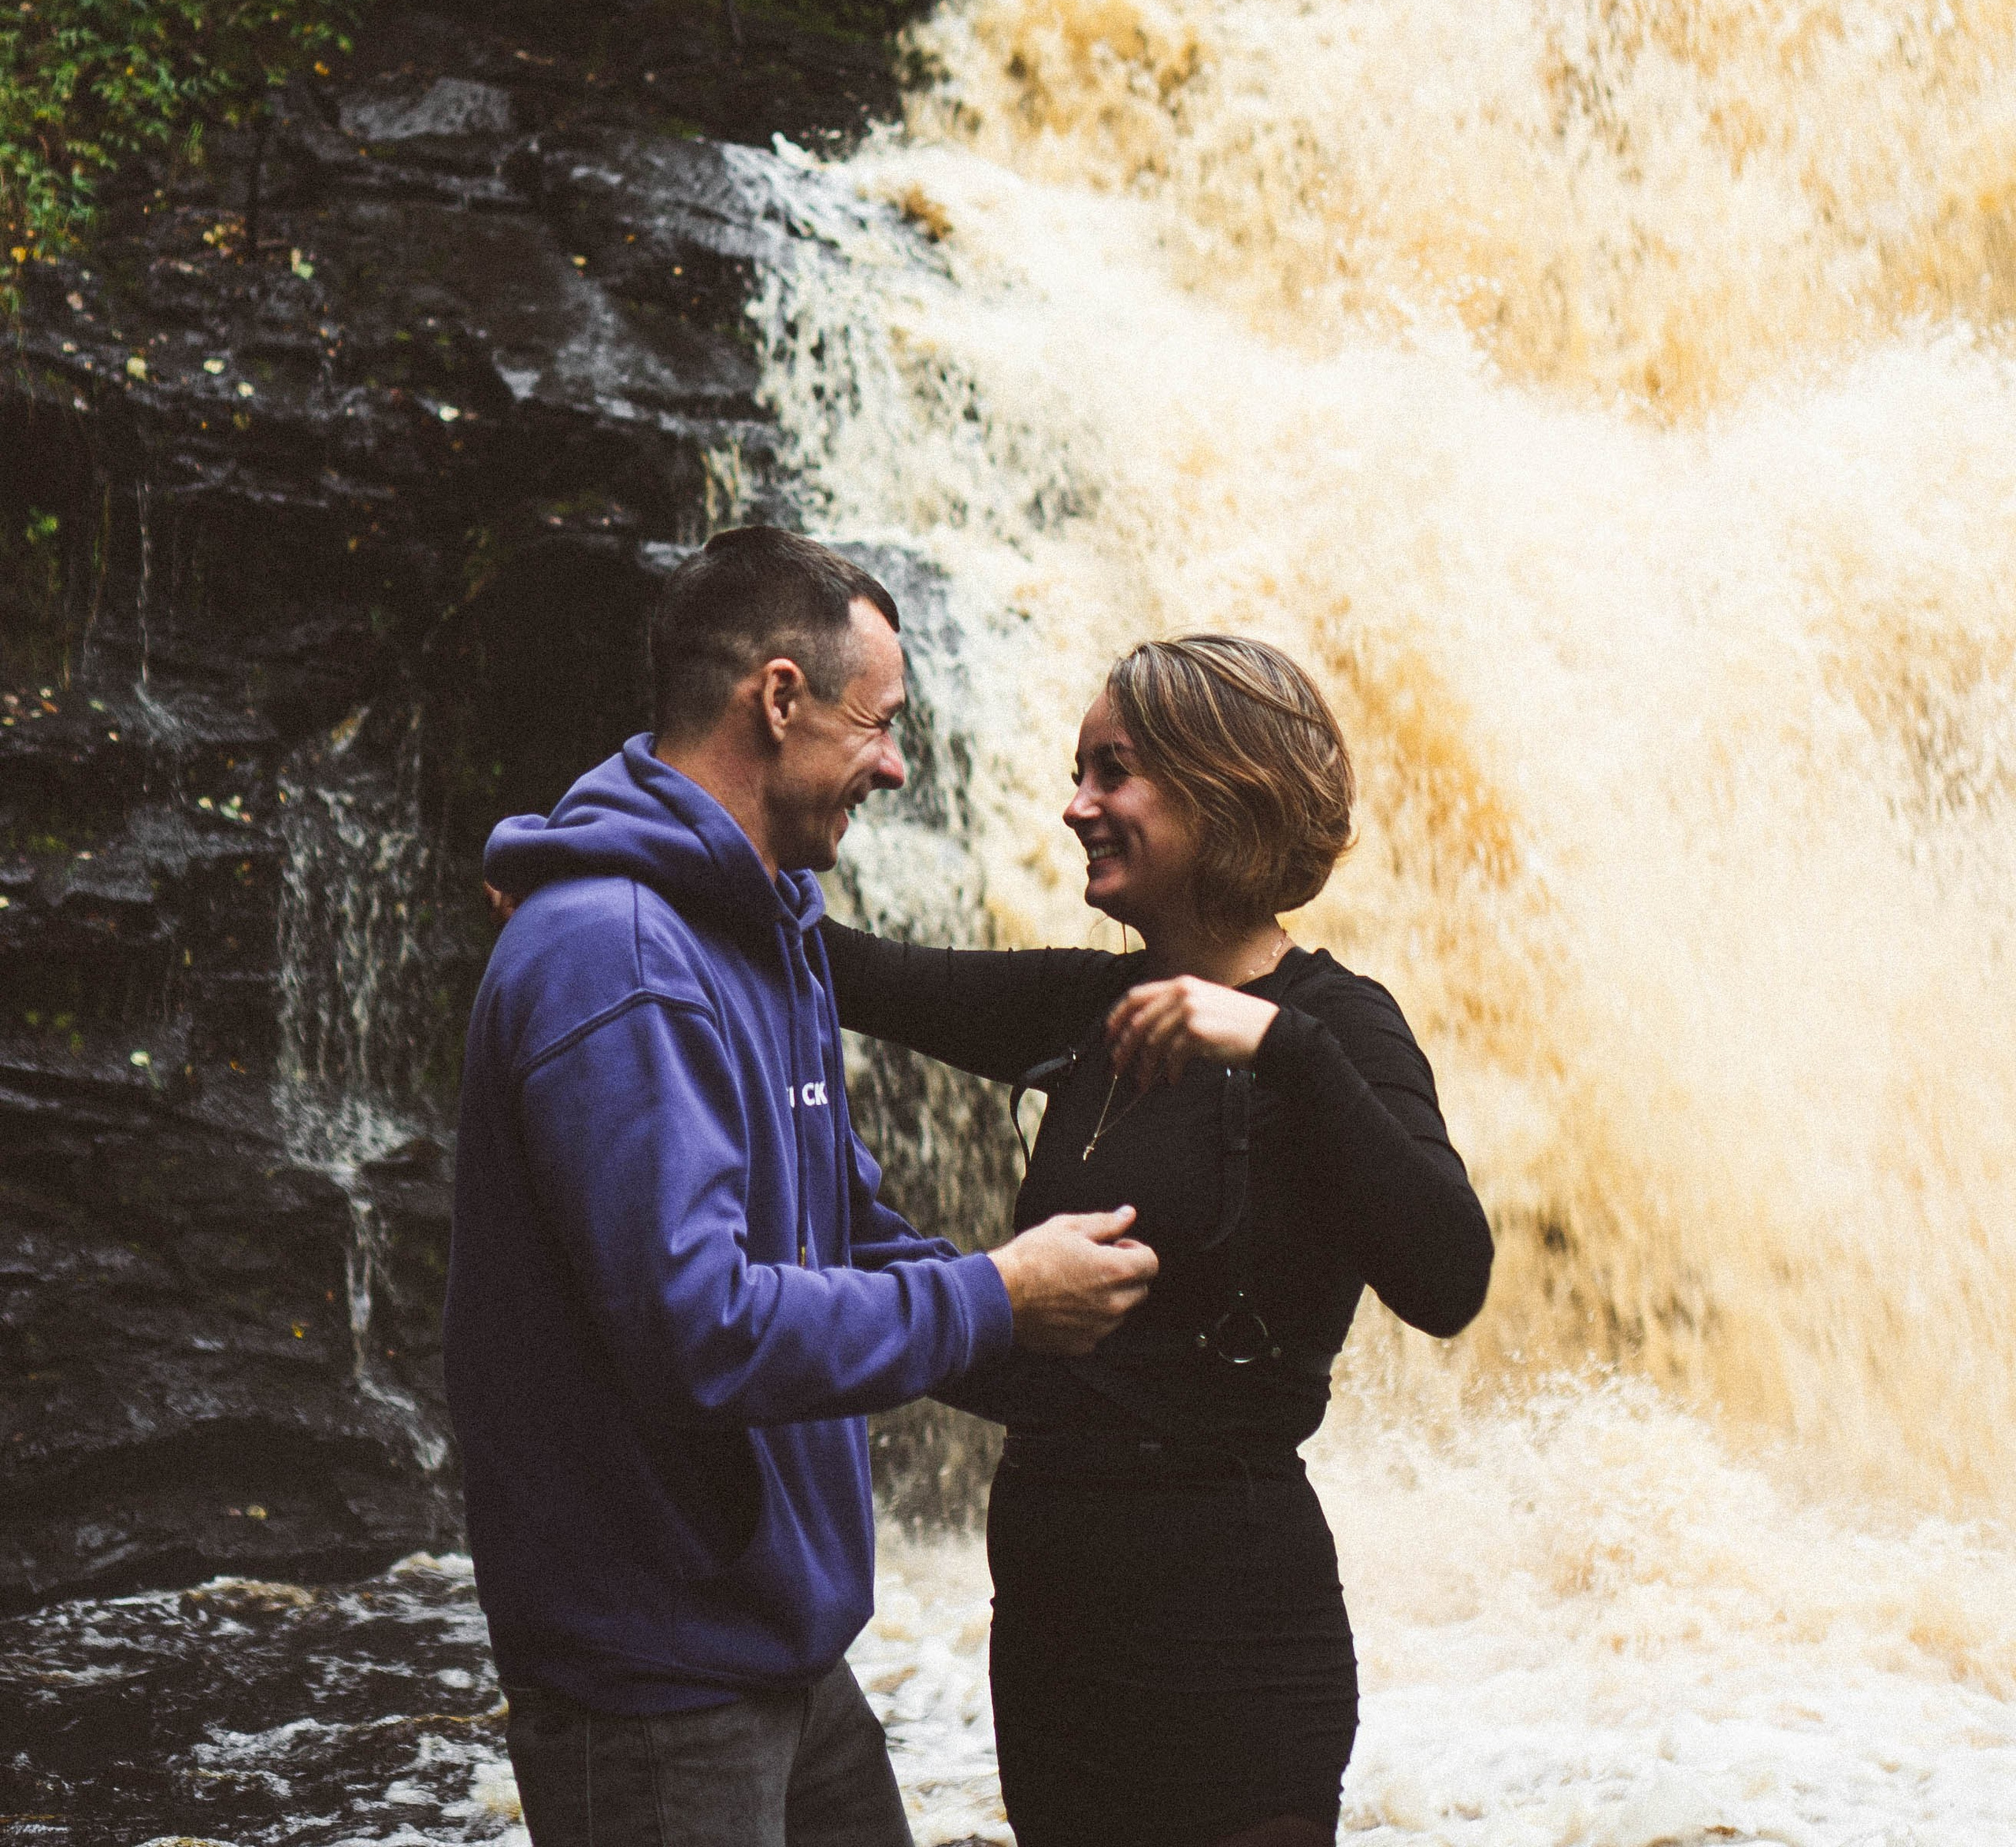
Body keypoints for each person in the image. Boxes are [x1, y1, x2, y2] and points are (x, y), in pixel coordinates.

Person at [443, 527, 1158, 1847]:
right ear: (778, 699)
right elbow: (701, 1330)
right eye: (877, 723)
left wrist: (1086, 1366)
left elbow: (845, 1230)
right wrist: (999, 1295)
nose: (897, 764)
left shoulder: (765, 928)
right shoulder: (621, 960)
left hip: (778, 1646)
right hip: (653, 1681)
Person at [820, 631, 1495, 1847]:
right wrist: (584, 861)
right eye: (1079, 771)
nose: (1075, 805)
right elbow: (837, 969)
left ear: (1220, 785)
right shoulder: (1089, 1011)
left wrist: (1275, 1046)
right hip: (1053, 1626)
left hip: (1231, 1637)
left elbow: (1449, 1278)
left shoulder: (1338, 1026)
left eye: (1112, 772)